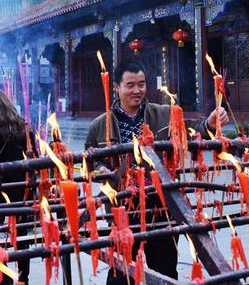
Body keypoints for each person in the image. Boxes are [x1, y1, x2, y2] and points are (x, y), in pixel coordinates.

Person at [85, 60, 229, 284]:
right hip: (122, 210)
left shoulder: (164, 114)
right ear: (116, 87)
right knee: (121, 273)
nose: (137, 90)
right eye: (130, 85)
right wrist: (101, 170)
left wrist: (209, 125)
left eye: (141, 84)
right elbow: (91, 162)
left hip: (161, 208)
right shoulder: (99, 125)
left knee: (164, 272)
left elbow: (190, 131)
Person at [0, 89, 37, 285]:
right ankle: (23, 277)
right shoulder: (24, 128)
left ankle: (5, 278)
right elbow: (34, 159)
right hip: (21, 188)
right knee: (21, 234)